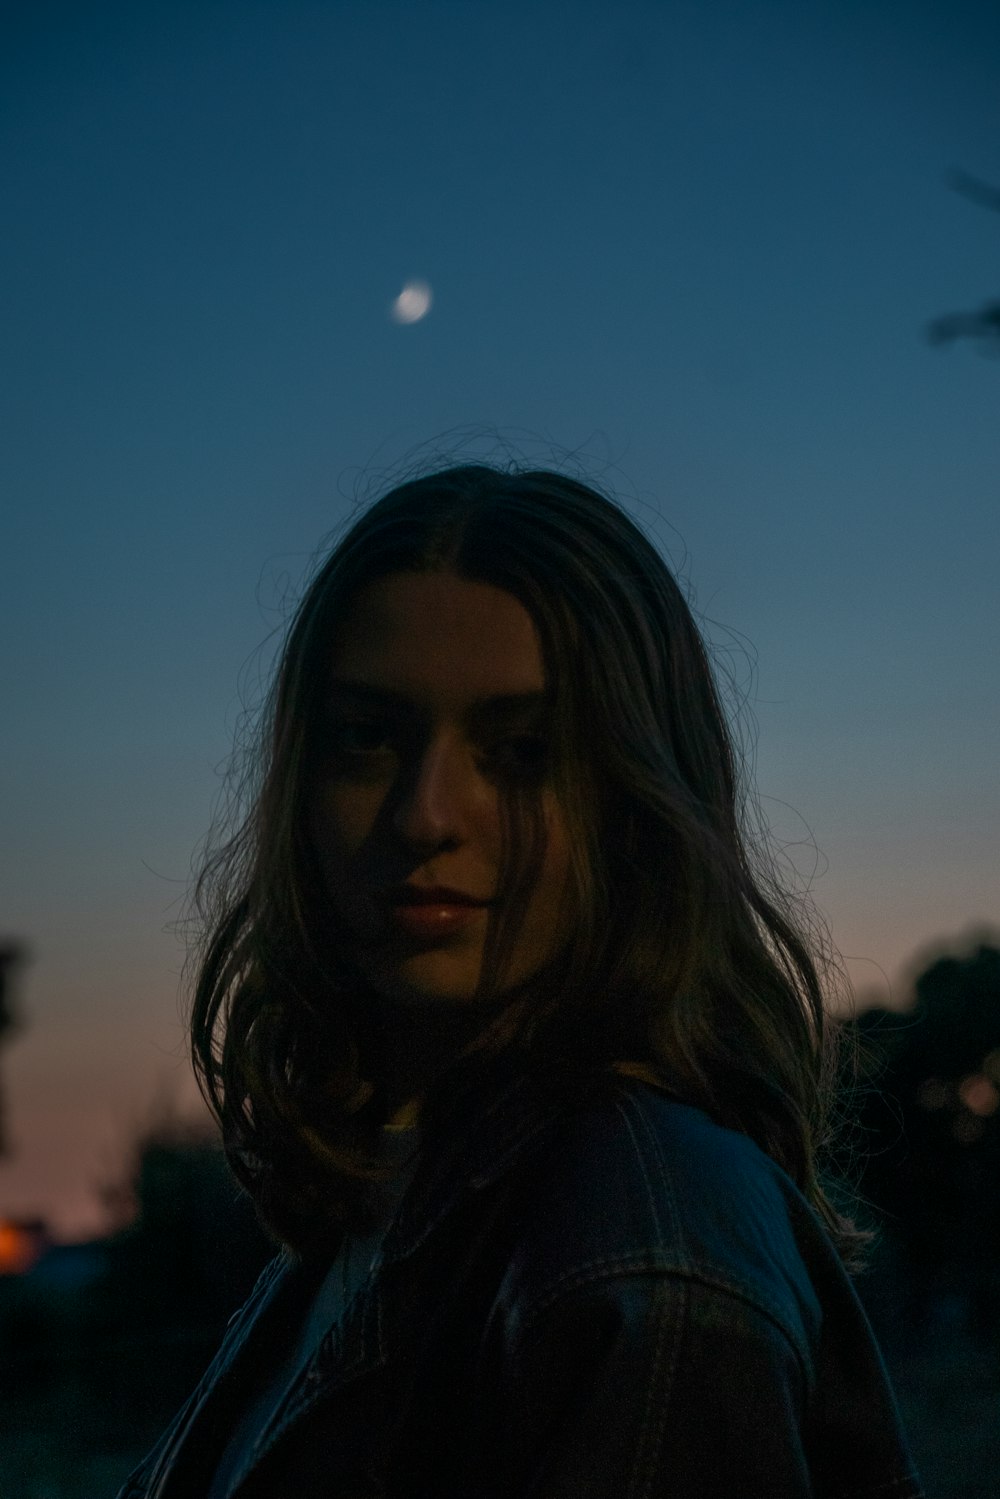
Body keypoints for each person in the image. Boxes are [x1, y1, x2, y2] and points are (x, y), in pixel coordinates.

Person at [117, 463, 923, 1498]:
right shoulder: (395, 1205)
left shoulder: (643, 1262)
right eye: (367, 737)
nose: (424, 813)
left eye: (521, 750)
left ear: (637, 801)